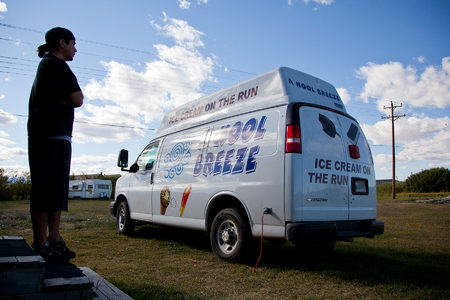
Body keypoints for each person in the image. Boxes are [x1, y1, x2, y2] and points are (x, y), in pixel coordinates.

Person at [28, 27, 83, 262]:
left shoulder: (50, 66)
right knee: (44, 192)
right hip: (48, 138)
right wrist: (66, 99)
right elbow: (78, 99)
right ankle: (41, 243)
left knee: (55, 193)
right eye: (73, 43)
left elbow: (71, 99)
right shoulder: (55, 65)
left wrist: (65, 99)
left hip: (55, 138)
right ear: (62, 43)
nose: (75, 49)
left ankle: (54, 240)